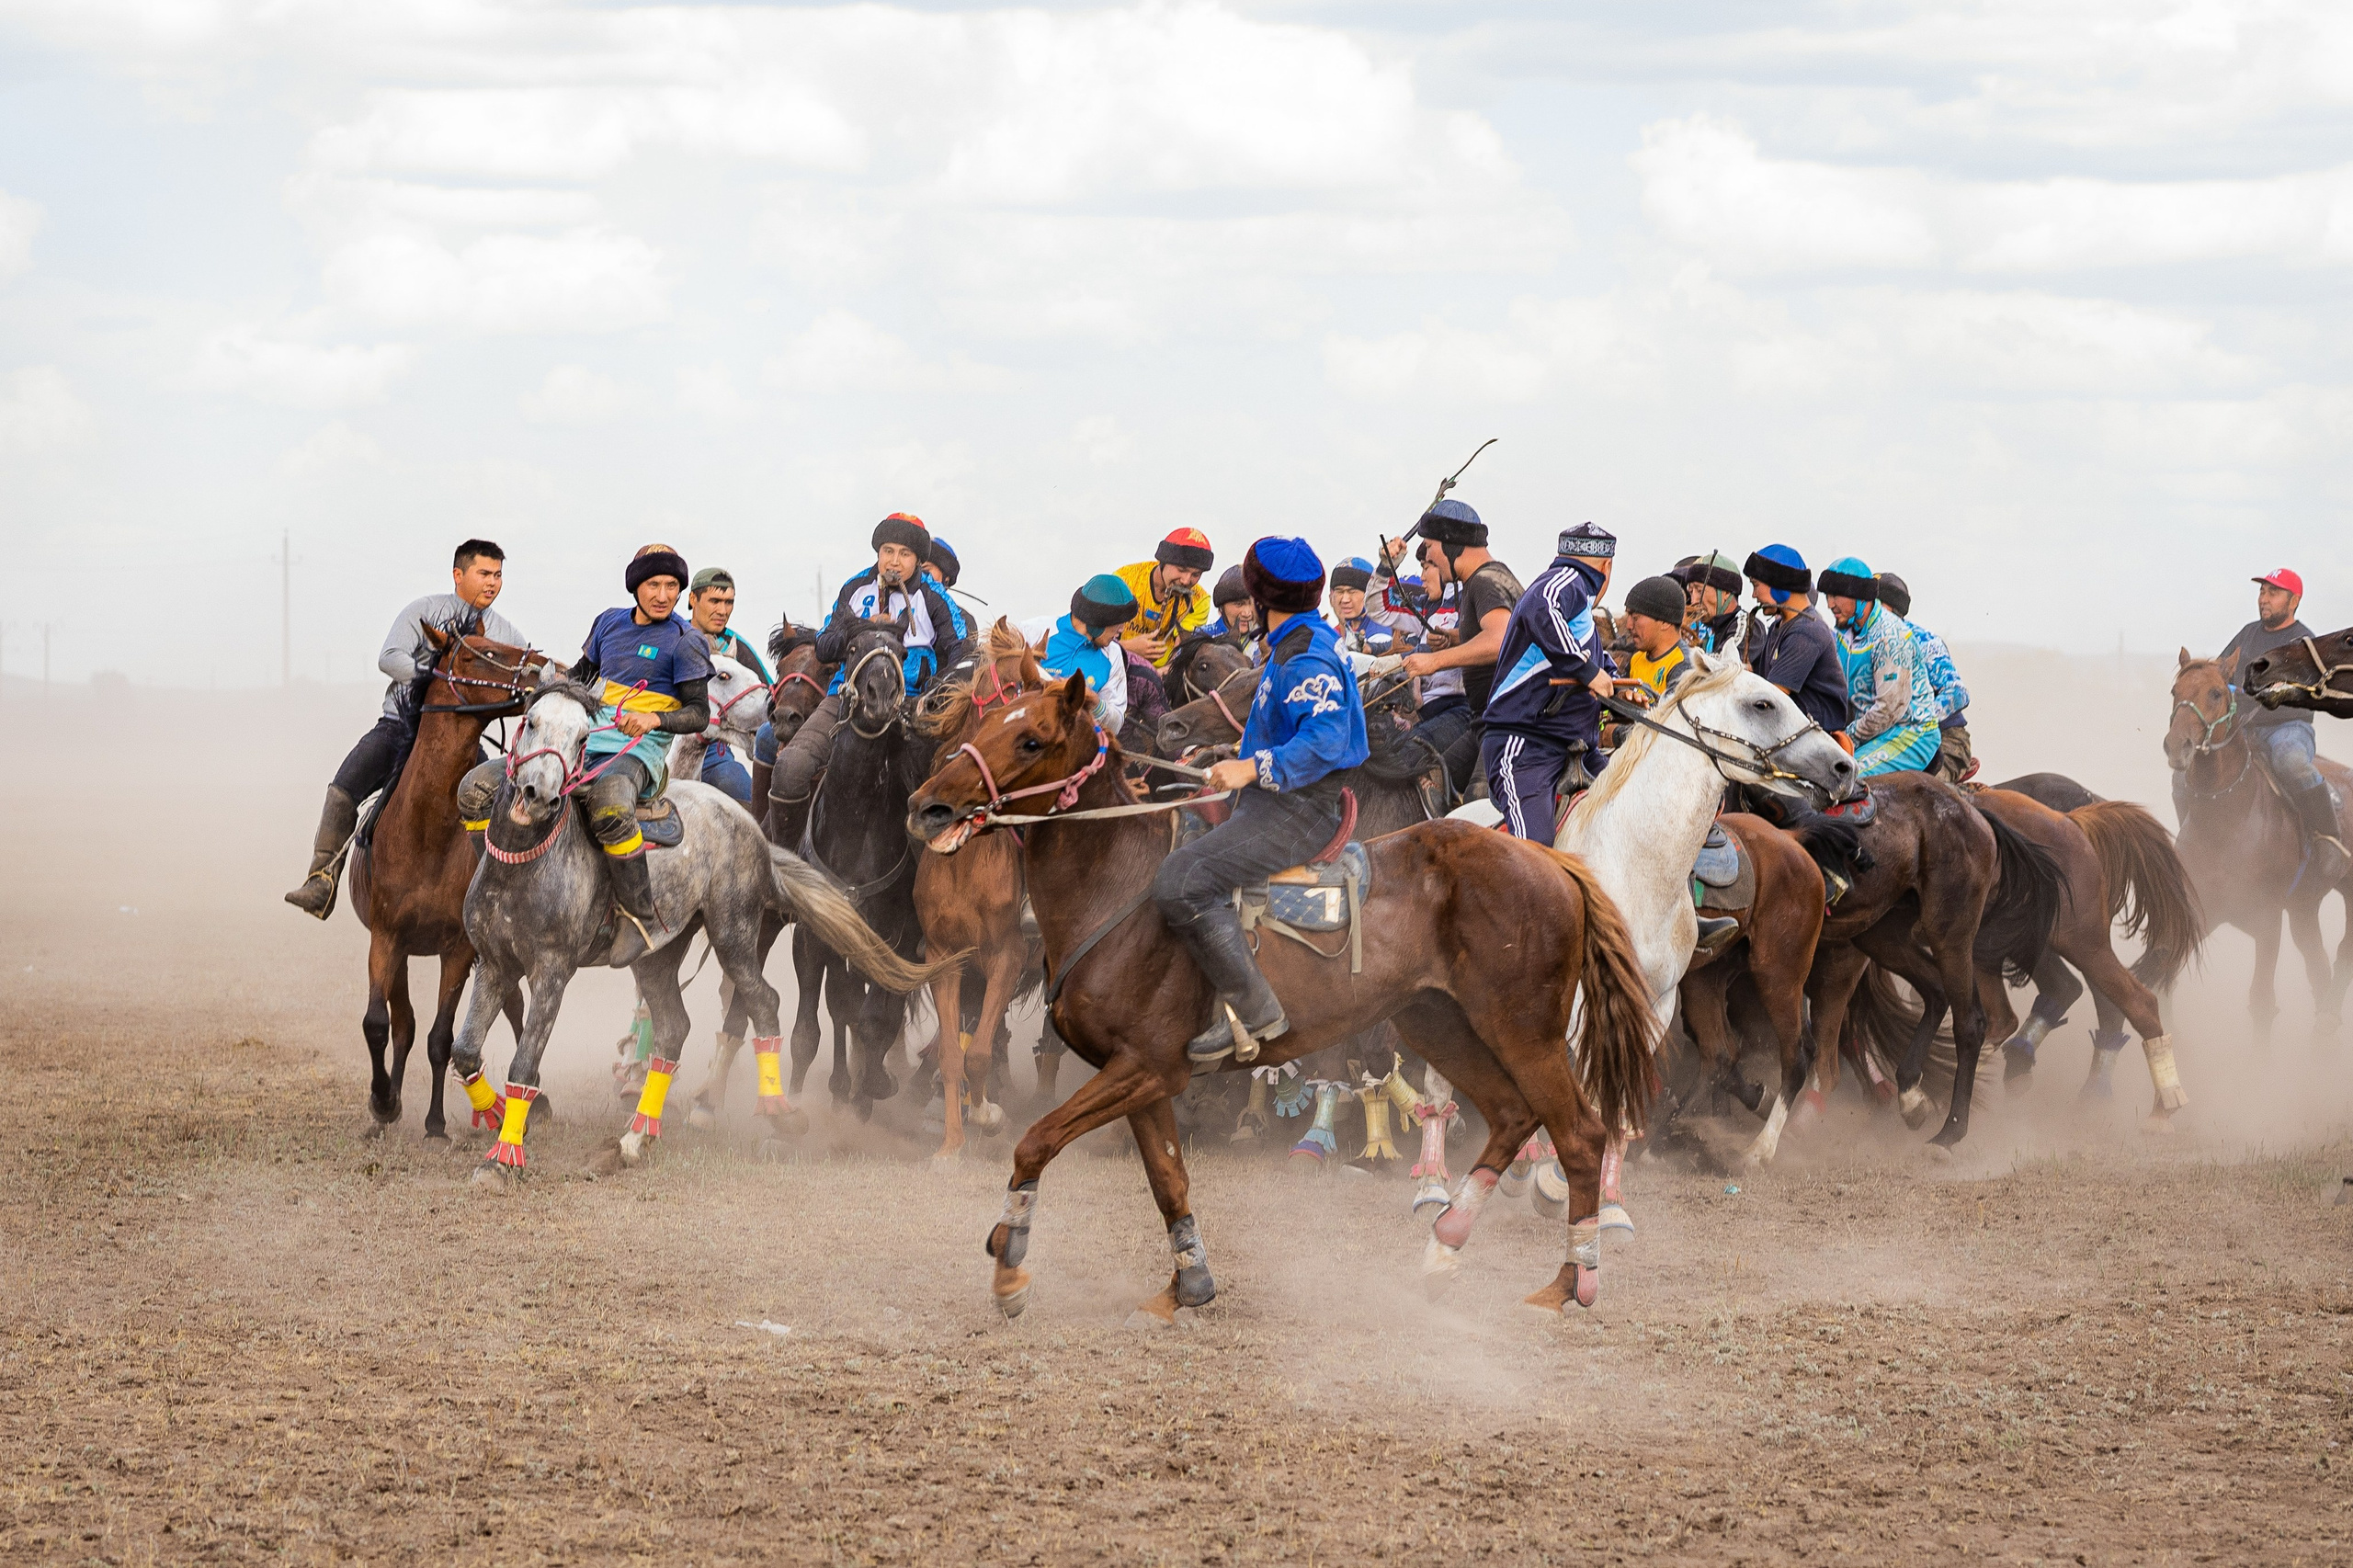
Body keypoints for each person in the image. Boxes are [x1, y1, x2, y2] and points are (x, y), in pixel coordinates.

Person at [1154, 539, 1369, 1064]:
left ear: (1263, 595)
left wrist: (1250, 768)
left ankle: (1255, 1011)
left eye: (1252, 597)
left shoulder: (1305, 656)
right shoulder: (1298, 640)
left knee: (1181, 880)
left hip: (1298, 810)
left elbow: (1323, 740)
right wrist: (1233, 753)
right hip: (1278, 799)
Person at [455, 544, 712, 925]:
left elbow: (699, 714)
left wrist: (653, 719)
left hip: (637, 751)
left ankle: (636, 915)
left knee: (610, 804)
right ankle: (492, 881)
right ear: (636, 587)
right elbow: (582, 675)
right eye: (654, 584)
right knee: (475, 789)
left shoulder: (686, 640)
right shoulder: (609, 622)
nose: (663, 596)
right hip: (582, 740)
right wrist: (548, 690)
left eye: (672, 586)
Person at [285, 539, 525, 918]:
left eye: (498, 575)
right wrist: (432, 676)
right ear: (458, 574)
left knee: (505, 802)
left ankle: (502, 897)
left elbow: (523, 671)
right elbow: (389, 657)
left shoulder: (504, 633)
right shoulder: (424, 610)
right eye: (484, 573)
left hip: (463, 741)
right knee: (345, 785)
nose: (492, 583)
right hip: (401, 727)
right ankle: (322, 879)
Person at [769, 513, 972, 836]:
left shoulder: (935, 599)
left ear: (918, 560)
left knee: (928, 792)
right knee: (790, 771)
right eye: (887, 551)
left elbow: (962, 652)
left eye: (904, 554)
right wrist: (861, 630)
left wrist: (934, 695)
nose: (894, 561)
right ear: (877, 553)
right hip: (844, 699)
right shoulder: (854, 588)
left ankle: (924, 878)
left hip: (909, 704)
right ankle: (786, 865)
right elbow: (823, 646)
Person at [2181, 568, 2348, 885]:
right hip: (2243, 727)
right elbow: (2218, 674)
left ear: (2294, 600)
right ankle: (2192, 843)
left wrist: (2256, 693)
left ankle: (2329, 839)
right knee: (2184, 772)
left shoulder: (2306, 642)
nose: (2264, 599)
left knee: (2291, 763)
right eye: (2262, 592)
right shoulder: (2247, 634)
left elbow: (2308, 692)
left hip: (2287, 728)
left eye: (2273, 593)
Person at [1479, 523, 1617, 846]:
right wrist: (1585, 669)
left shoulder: (1582, 614)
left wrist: (1623, 694)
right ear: (1606, 566)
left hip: (1577, 750)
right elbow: (1540, 606)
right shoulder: (1566, 579)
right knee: (1535, 856)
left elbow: (1602, 669)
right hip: (1525, 747)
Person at [1392, 500, 1522, 798]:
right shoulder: (1490, 577)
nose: (1430, 558)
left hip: (1508, 721)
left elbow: (1500, 639)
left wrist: (1434, 661)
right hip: (1486, 720)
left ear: (1450, 543)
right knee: (1431, 785)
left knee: (1478, 803)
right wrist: (1455, 637)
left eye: (1430, 546)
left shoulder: (1485, 581)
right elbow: (1503, 632)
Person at [1821, 557, 1942, 777]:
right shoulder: (1841, 633)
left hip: (1910, 732)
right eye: (1828, 596)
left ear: (1860, 596)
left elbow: (1889, 709)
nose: (1830, 604)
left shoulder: (1890, 636)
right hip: (1871, 733)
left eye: (1836, 596)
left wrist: (1847, 737)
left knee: (1844, 778)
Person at [1743, 546, 1852, 740]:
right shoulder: (1779, 627)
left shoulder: (1806, 631)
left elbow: (1771, 698)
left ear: (1778, 584)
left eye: (1756, 585)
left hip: (1815, 740)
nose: (1753, 595)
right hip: (1790, 733)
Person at [1873, 573, 1973, 783]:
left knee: (1915, 795)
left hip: (1944, 742)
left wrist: (1913, 722)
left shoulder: (1924, 641)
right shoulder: (1863, 646)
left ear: (1888, 608)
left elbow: (1958, 693)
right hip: (1889, 742)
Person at [686, 566, 770, 808]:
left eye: (728, 602)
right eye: (714, 601)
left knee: (751, 806)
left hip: (715, 754)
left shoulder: (738, 647)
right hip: (661, 746)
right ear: (693, 599)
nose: (722, 611)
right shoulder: (671, 636)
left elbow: (770, 697)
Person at [1039, 574, 1142, 735]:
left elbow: (1115, 725)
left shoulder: (1113, 656)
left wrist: (1096, 703)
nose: (1122, 629)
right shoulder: (1035, 632)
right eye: (1118, 622)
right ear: (1097, 621)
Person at [1113, 528, 1215, 668]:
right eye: (1181, 570)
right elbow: (1095, 640)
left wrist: (1163, 672)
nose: (1186, 581)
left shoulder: (1199, 600)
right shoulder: (1124, 580)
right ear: (1163, 561)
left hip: (1163, 674)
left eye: (1196, 574)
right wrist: (1127, 647)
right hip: (1116, 663)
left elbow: (1182, 648)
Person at [1676, 551, 1751, 660]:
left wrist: (1683, 656)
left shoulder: (1747, 624)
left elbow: (1728, 663)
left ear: (1726, 593)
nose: (1694, 601)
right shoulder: (1703, 628)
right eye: (1691, 592)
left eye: (1700, 591)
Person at [1324, 557, 1395, 659]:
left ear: (1369, 595)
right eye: (1339, 591)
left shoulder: (1380, 629)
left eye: (1352, 592)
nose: (1345, 599)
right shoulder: (1338, 630)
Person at [1199, 564, 1257, 644]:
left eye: (1253, 604)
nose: (1247, 613)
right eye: (1239, 604)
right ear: (1222, 607)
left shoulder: (1270, 640)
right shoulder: (1200, 638)